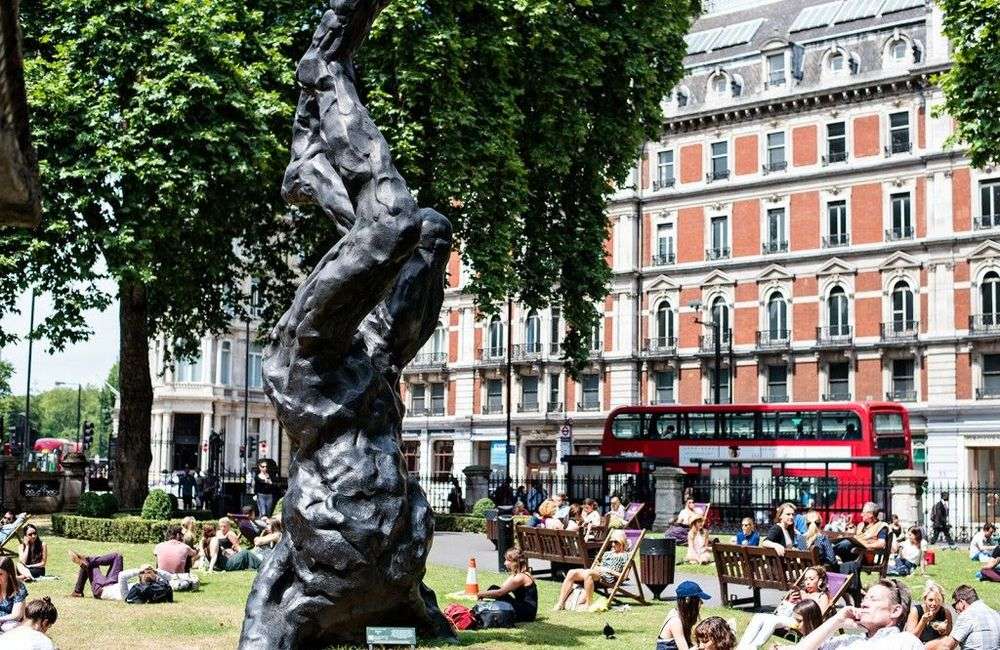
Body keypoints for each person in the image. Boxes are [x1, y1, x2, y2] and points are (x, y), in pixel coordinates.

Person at [788, 578, 922, 649]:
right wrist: (837, 621)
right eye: (864, 598)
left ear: (895, 611)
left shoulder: (905, 642)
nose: (863, 603)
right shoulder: (847, 641)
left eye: (873, 599)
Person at [736, 565, 830, 650]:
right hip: (789, 618)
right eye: (806, 579)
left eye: (811, 579)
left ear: (820, 581)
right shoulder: (801, 592)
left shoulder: (821, 596)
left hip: (801, 622)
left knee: (772, 621)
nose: (808, 582)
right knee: (758, 616)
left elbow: (819, 618)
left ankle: (753, 647)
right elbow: (781, 611)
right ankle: (742, 647)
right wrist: (790, 602)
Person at [553, 530, 629, 611]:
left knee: (588, 573)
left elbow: (624, 577)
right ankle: (560, 603)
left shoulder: (625, 556)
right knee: (571, 572)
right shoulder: (607, 553)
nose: (613, 544)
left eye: (616, 542)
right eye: (612, 541)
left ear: (622, 543)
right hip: (598, 572)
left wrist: (608, 570)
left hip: (608, 577)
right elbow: (600, 565)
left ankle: (588, 604)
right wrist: (597, 567)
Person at [925, 585, 1000, 650]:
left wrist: (924, 647)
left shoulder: (967, 614)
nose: (956, 610)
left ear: (961, 602)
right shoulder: (995, 614)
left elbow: (946, 646)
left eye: (954, 605)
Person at [476, 548, 537, 623]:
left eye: (507, 560)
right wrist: (486, 594)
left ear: (514, 562)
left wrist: (481, 594)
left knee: (495, 590)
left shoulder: (521, 577)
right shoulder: (519, 574)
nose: (505, 563)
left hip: (527, 613)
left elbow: (500, 593)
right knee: (494, 588)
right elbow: (502, 587)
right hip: (524, 608)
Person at [655, 580, 711, 650]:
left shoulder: (676, 612)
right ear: (688, 601)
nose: (702, 603)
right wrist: (701, 647)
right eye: (699, 600)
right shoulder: (676, 622)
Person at [0, 558, 26, 631]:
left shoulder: (19, 587)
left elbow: (17, 615)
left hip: (9, 622)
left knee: (10, 627)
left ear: (9, 573)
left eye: (0, 574)